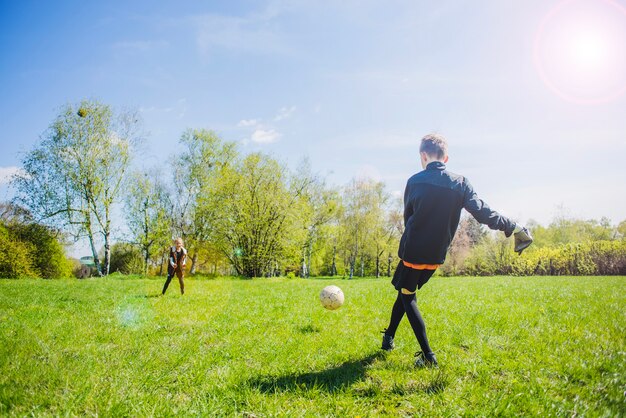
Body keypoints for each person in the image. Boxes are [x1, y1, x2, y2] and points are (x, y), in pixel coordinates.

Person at [381, 133, 533, 367]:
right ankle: (388, 337)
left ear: (423, 156)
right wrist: (513, 226)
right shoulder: (460, 182)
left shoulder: (414, 181)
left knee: (407, 295)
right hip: (436, 254)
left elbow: (407, 216)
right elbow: (483, 212)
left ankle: (428, 356)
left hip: (412, 249)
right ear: (446, 158)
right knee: (404, 290)